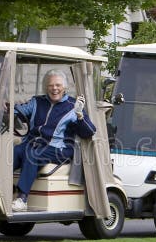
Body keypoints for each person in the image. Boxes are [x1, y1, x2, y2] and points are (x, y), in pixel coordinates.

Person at [11, 69, 95, 212]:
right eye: (51, 85)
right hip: (32, 143)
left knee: (32, 155)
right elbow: (20, 110)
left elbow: (89, 132)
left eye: (58, 85)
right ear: (46, 87)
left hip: (59, 148)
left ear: (64, 87)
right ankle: (0, 189)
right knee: (14, 152)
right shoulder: (37, 101)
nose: (54, 88)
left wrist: (80, 115)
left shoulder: (73, 106)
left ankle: (22, 198)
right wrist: (8, 110)